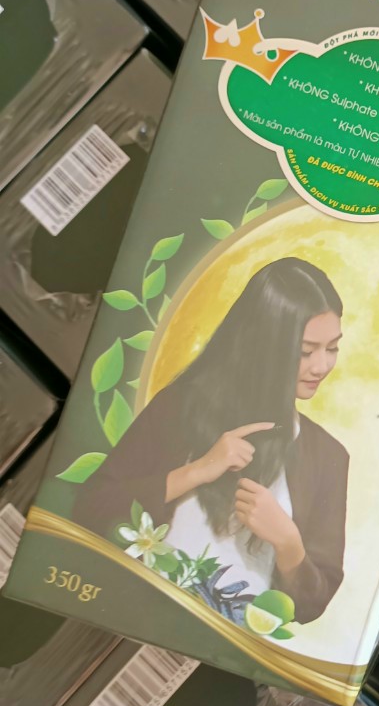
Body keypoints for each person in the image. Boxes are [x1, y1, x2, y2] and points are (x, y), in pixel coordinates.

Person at [77, 258, 348, 625]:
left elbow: (310, 608)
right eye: (305, 351)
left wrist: (289, 543)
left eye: (332, 348)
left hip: (222, 642)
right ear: (264, 343)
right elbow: (91, 509)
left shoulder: (328, 457)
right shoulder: (181, 406)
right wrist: (198, 471)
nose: (321, 366)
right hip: (133, 612)